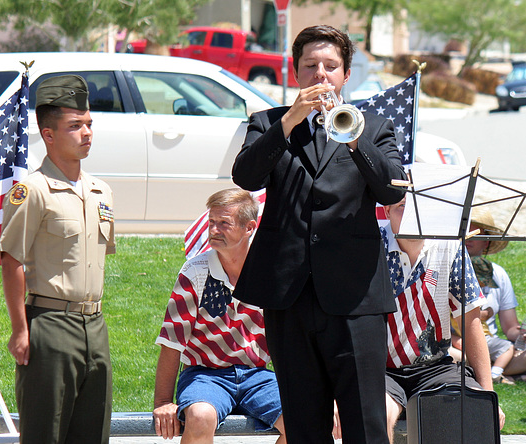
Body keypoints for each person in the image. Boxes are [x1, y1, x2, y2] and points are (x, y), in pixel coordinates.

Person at [231, 24, 406, 443]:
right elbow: (245, 176)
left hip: (354, 297)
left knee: (365, 422)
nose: (320, 74)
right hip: (289, 295)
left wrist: (354, 139)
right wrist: (289, 121)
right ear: (295, 73)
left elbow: (391, 188)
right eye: (310, 65)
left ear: (346, 75)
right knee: (304, 423)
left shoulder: (375, 128)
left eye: (331, 66)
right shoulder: (268, 123)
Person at [0, 75, 116, 444]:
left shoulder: (101, 191)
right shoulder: (31, 191)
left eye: (89, 124)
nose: (86, 133)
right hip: (49, 324)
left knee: (93, 431)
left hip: (94, 325)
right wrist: (21, 329)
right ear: (48, 135)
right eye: (74, 126)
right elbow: (11, 259)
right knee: (44, 433)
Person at [152, 189, 286, 443]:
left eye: (224, 223)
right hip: (204, 374)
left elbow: (292, 340)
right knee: (201, 416)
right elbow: (171, 342)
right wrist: (162, 402)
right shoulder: (195, 271)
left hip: (257, 374)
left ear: (249, 228)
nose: (214, 230)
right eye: (211, 222)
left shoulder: (271, 273)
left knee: (303, 418)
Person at [380, 199, 505, 443]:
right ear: (386, 211)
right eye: (402, 206)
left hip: (436, 367)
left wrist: (489, 394)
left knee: (472, 410)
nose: (412, 215)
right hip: (379, 369)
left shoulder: (450, 246)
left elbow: (471, 321)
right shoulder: (369, 246)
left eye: (418, 205)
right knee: (379, 415)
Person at [465, 206, 526, 381]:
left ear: (487, 242)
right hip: (459, 346)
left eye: (476, 234)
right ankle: (500, 374)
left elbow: (510, 328)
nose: (468, 239)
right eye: (465, 232)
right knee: (452, 356)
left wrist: (522, 334)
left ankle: (486, 373)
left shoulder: (498, 274)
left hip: (492, 345)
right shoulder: (446, 269)